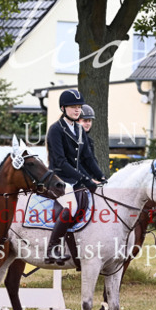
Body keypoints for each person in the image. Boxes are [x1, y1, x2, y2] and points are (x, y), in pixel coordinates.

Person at [44, 90, 106, 265]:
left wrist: (101, 176)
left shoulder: (79, 129)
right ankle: (52, 249)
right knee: (71, 206)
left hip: (75, 178)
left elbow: (88, 158)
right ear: (63, 108)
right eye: (73, 107)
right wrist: (84, 179)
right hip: (58, 179)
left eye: (79, 107)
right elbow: (60, 161)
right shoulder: (56, 129)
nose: (77, 110)